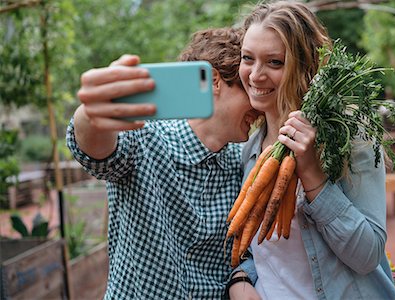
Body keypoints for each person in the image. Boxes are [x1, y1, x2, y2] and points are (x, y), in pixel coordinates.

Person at [66, 27, 261, 299]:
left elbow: (248, 252)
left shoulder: (243, 162)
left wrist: (241, 279)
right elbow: (94, 152)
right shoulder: (146, 139)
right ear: (215, 81)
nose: (257, 104)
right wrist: (92, 112)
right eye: (247, 88)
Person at [227, 2, 395, 299]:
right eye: (248, 58)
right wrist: (242, 279)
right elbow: (263, 251)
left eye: (274, 62)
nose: (255, 75)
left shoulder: (349, 139)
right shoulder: (248, 149)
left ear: (305, 65)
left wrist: (311, 173)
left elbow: (367, 256)